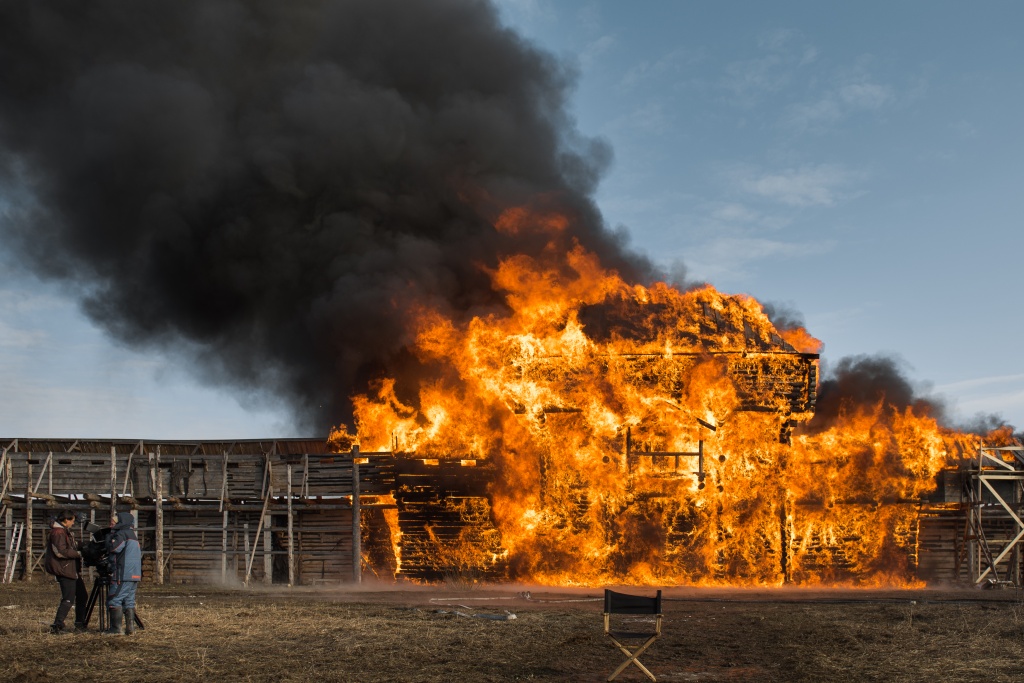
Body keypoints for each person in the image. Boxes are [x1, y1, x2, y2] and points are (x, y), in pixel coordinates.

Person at [44, 510, 88, 635]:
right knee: (68, 598)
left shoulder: (63, 531)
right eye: (72, 521)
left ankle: (79, 623)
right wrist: (79, 553)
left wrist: (83, 545)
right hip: (65, 568)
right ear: (66, 520)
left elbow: (70, 546)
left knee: (82, 595)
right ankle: (57, 626)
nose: (73, 523)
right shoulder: (58, 532)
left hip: (70, 568)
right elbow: (61, 551)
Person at [104, 511, 142, 635]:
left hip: (123, 573)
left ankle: (115, 630)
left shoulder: (122, 534)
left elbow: (115, 548)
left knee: (114, 599)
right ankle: (130, 629)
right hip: (134, 574)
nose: (111, 526)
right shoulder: (132, 535)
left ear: (120, 522)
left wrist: (109, 538)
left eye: (113, 523)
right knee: (129, 600)